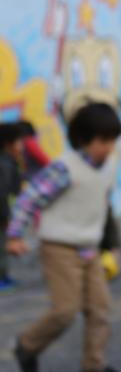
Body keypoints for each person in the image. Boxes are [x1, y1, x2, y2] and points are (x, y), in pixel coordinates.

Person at [7, 103, 121, 372]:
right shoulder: (64, 168)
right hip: (59, 248)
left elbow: (104, 208)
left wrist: (112, 244)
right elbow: (29, 199)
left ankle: (94, 365)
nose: (108, 147)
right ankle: (26, 346)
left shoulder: (109, 167)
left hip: (90, 248)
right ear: (83, 139)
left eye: (112, 140)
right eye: (102, 140)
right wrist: (15, 236)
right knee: (65, 310)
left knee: (99, 309)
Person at [0, 122, 22, 292]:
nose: (21, 146)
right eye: (18, 141)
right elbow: (2, 194)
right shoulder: (5, 165)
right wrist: (5, 217)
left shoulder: (9, 162)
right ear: (8, 144)